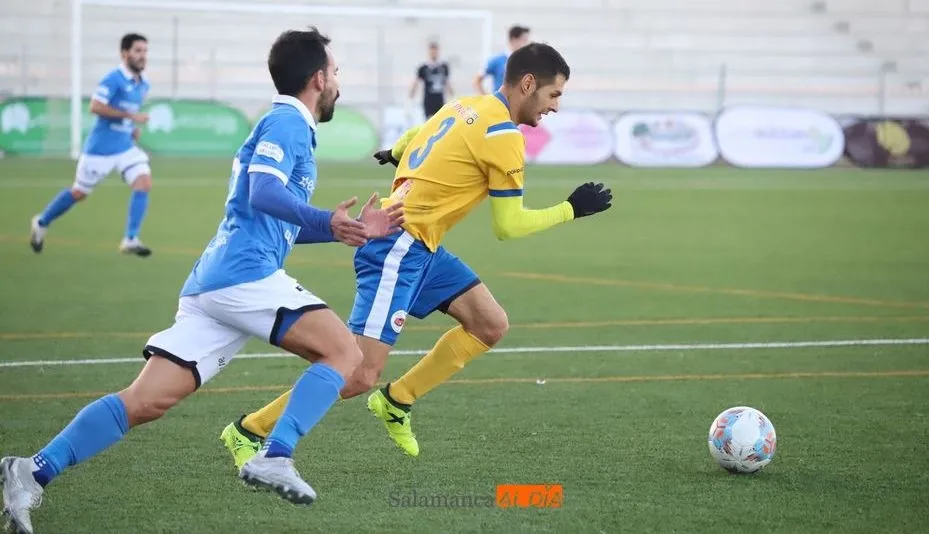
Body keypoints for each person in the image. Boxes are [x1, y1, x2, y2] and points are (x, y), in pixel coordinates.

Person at [1, 27, 405, 534]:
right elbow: (262, 193)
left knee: (145, 401)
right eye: (337, 73)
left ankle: (30, 470)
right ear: (318, 78)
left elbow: (271, 218)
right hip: (244, 275)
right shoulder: (288, 122)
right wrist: (329, 220)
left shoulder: (283, 125)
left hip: (215, 284)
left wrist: (347, 231)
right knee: (345, 354)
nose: (338, 84)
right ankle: (274, 455)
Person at [218, 43, 612, 468]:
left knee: (489, 324)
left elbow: (411, 139)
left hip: (420, 244)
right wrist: (571, 209)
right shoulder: (503, 137)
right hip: (399, 247)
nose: (555, 107)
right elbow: (508, 225)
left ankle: (397, 401)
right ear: (529, 84)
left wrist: (395, 154)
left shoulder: (465, 105)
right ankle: (249, 430)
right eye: (554, 95)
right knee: (357, 374)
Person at [29, 33, 154, 257]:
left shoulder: (143, 84)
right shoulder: (112, 79)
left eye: (145, 51)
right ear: (124, 53)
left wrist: (130, 127)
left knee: (144, 182)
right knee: (79, 193)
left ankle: (130, 239)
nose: (142, 55)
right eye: (137, 51)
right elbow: (95, 106)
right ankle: (41, 221)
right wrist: (130, 117)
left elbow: (126, 114)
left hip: (125, 147)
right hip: (100, 150)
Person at [473, 25, 530, 94]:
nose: (526, 44)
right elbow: (477, 81)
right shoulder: (497, 60)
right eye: (524, 40)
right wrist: (486, 98)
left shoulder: (526, 61)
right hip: (500, 103)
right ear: (514, 40)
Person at [410, 41, 453, 119]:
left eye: (435, 51)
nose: (434, 53)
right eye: (432, 51)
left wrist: (452, 96)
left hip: (440, 100)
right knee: (429, 122)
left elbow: (447, 83)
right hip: (428, 100)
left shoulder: (443, 67)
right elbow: (416, 83)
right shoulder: (423, 68)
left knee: (440, 121)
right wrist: (411, 97)